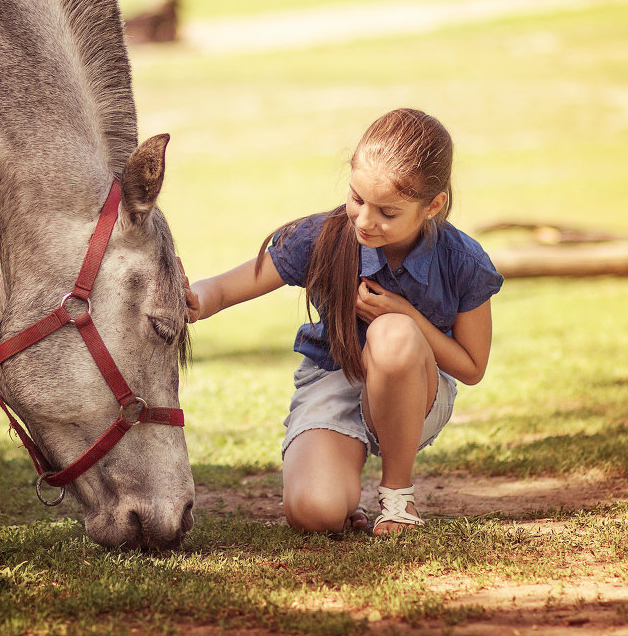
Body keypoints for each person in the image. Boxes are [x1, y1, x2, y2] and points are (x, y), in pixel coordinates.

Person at [184, 108, 502, 535]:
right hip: (335, 377)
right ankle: (341, 493)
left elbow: (472, 367)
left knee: (393, 334)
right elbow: (223, 289)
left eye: (387, 213)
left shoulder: (463, 261)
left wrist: (405, 315)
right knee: (314, 514)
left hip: (414, 386)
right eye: (357, 199)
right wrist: (194, 299)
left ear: (433, 206)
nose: (366, 221)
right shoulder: (320, 238)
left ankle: (397, 498)